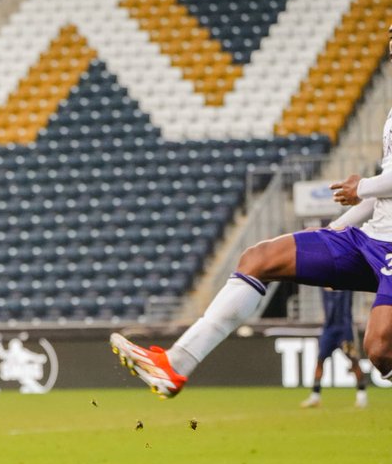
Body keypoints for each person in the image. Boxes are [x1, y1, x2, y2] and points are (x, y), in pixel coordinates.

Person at [111, 23, 392, 399]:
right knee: (259, 257)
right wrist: (340, 227)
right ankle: (175, 364)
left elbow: (381, 185)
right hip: (369, 238)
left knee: (379, 348)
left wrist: (363, 187)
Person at [301, 288, 368, 408]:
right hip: (329, 330)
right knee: (320, 361)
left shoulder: (346, 284)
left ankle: (362, 396)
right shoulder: (324, 284)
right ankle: (315, 396)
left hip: (345, 330)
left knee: (353, 361)